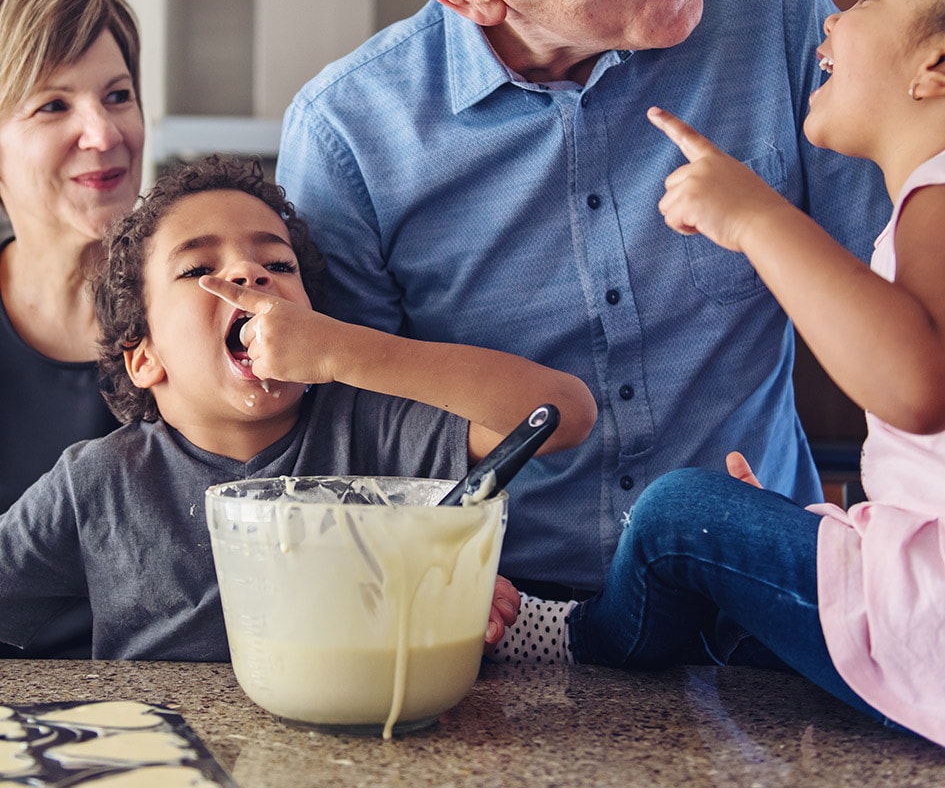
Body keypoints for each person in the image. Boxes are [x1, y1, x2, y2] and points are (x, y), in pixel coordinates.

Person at [275, 0, 888, 596]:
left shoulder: (774, 8)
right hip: (498, 619)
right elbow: (356, 427)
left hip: (764, 584)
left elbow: (897, 296)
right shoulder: (348, 138)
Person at [490, 0, 945, 747]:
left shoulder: (938, 197)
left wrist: (756, 220)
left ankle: (567, 638)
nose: (831, 22)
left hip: (926, 621)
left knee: (679, 515)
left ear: (936, 64)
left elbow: (917, 388)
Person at [0, 155, 594, 661]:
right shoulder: (95, 484)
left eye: (278, 265)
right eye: (199, 269)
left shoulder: (372, 431)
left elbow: (565, 412)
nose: (248, 273)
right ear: (144, 358)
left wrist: (346, 349)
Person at [0, 0, 144, 657]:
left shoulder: (203, 312)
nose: (103, 132)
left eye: (118, 96)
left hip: (170, 699)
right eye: (53, 106)